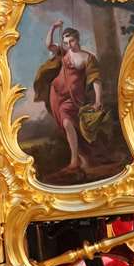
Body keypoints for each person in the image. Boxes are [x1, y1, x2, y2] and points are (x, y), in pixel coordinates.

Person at [36, 23, 102, 181]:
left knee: (68, 124)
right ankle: (79, 159)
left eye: (71, 41)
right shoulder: (65, 52)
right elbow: (49, 45)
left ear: (78, 39)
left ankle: (75, 160)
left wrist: (98, 100)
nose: (69, 45)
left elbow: (96, 80)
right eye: (66, 42)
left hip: (73, 98)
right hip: (56, 93)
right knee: (66, 126)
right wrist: (52, 27)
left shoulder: (88, 57)